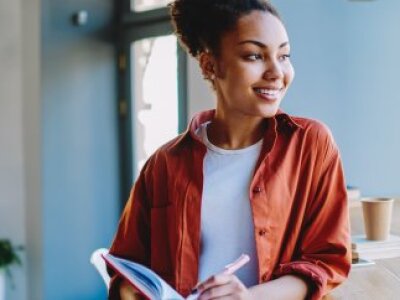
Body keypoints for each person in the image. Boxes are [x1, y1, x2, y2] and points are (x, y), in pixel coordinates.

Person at [108, 0, 351, 299]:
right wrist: (130, 289)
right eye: (254, 56)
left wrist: (249, 298)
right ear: (210, 65)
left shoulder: (311, 144)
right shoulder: (163, 164)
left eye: (284, 55)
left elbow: (327, 262)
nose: (277, 72)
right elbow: (127, 269)